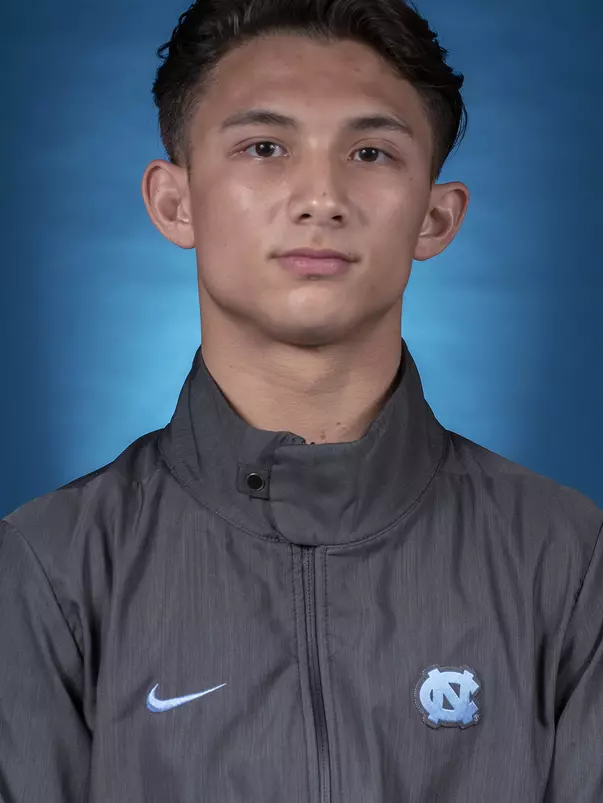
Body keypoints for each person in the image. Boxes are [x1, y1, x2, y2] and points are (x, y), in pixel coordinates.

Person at [1, 0, 601, 800]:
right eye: (265, 147)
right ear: (175, 202)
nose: (321, 197)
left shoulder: (569, 559)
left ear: (434, 217)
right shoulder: (46, 568)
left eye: (369, 152)